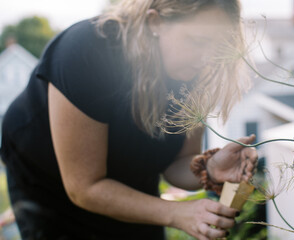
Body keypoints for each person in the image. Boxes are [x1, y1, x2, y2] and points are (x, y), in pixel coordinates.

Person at [0, 0, 258, 239]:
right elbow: (85, 187)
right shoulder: (87, 51)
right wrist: (176, 213)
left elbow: (176, 163)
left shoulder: (196, 72)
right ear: (155, 22)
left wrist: (210, 167)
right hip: (50, 181)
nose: (207, 60)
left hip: (129, 176)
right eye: (197, 41)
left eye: (218, 47)